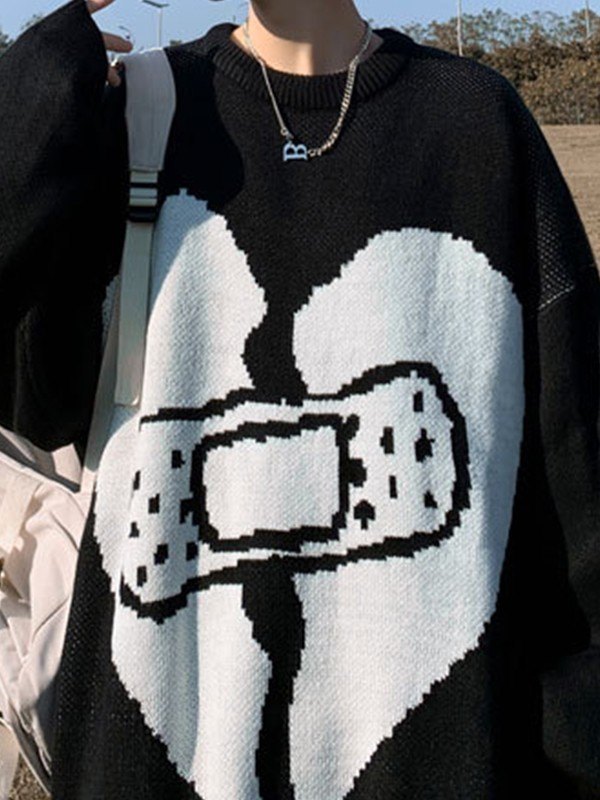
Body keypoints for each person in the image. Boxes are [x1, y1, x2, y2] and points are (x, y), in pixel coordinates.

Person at [0, 0, 598, 797]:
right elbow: (34, 402)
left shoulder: (479, 127)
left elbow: (574, 501)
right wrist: (45, 74)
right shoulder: (130, 116)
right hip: (158, 754)